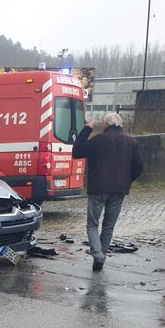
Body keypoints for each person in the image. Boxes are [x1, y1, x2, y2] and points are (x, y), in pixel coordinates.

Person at [71, 113, 143, 271]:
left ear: (105, 125)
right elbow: (138, 167)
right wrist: (125, 180)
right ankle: (100, 259)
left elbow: (77, 152)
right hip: (119, 190)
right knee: (108, 227)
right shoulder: (132, 142)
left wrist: (86, 129)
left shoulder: (98, 140)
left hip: (98, 188)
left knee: (92, 224)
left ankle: (97, 254)